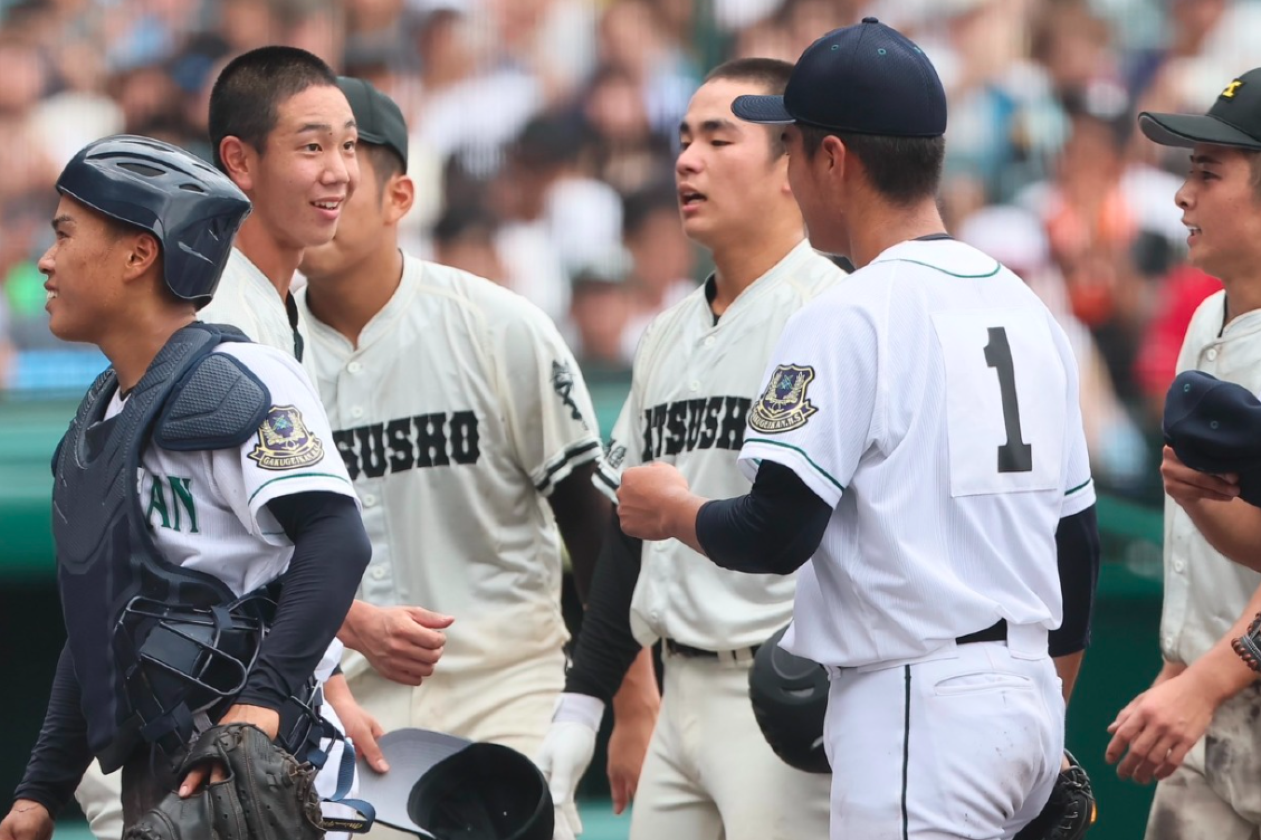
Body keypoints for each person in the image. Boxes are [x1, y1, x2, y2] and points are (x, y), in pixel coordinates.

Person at [611, 20, 1101, 840]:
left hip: (914, 705)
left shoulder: (848, 313)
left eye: (794, 147)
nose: (792, 174)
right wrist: (1039, 711)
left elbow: (772, 533)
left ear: (831, 159)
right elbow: (1076, 546)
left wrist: (671, 513)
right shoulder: (1024, 306)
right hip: (1025, 701)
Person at [295, 77, 659, 839]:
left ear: (399, 196)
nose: (322, 183)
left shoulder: (499, 327)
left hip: (505, 691)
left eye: (346, 162)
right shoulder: (259, 352)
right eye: (304, 157)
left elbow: (590, 526)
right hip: (345, 710)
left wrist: (634, 700)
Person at [66, 46, 398, 840]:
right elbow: (195, 555)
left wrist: (328, 680)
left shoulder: (276, 306)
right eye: (312, 146)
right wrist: (344, 627)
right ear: (239, 163)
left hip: (215, 705)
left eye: (349, 147)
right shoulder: (215, 324)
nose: (340, 173)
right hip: (175, 719)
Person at [0, 135, 370, 840]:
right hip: (162, 776)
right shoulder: (101, 417)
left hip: (273, 769)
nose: (46, 260)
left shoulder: (237, 379)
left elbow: (336, 539)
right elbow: (97, 627)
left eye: (65, 234)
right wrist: (42, 788)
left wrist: (262, 704)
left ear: (140, 255)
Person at [535, 58, 841, 840]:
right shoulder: (665, 334)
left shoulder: (834, 312)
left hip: (788, 688)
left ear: (790, 164)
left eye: (717, 139)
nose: (686, 160)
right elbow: (630, 531)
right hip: (680, 694)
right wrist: (583, 702)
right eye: (681, 139)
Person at [1105, 66, 1261, 840]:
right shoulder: (1205, 318)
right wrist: (1178, 666)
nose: (1180, 194)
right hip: (1208, 717)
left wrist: (1202, 682)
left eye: (1208, 172)